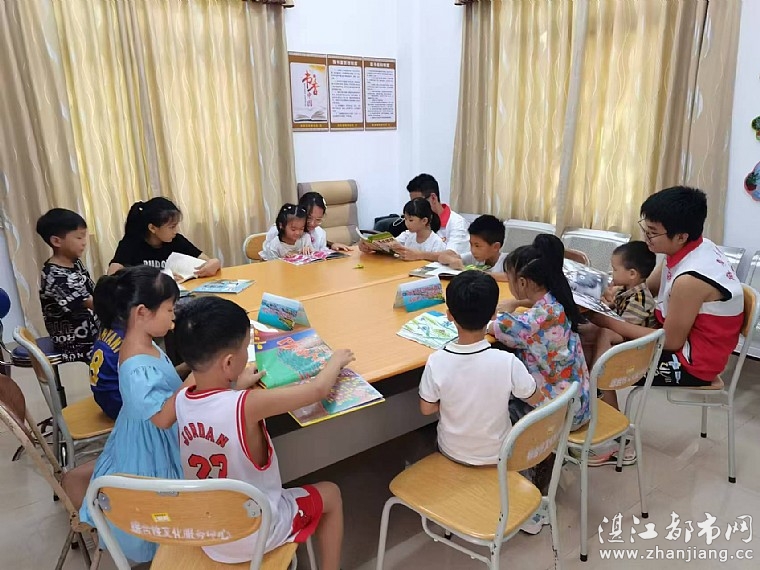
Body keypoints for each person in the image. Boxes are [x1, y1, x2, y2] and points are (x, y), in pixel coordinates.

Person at [174, 296, 352, 570]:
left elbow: (215, 407)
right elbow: (317, 390)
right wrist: (336, 360)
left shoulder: (181, 400)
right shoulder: (246, 405)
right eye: (246, 349)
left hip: (210, 531)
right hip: (254, 534)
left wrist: (236, 386)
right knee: (331, 493)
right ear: (229, 363)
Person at [79, 266, 199, 563]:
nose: (173, 316)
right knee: (161, 510)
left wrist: (192, 368)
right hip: (151, 445)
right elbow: (162, 418)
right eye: (169, 309)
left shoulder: (142, 343)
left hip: (145, 432)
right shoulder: (136, 364)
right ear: (142, 312)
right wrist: (196, 379)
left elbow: (162, 384)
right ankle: (166, 557)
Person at [591, 187, 743, 408]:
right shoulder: (693, 247)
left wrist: (607, 320)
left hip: (691, 364)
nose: (646, 236)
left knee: (600, 358)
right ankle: (596, 411)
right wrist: (615, 290)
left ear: (681, 236)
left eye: (653, 232)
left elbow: (670, 341)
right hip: (680, 339)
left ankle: (609, 423)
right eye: (646, 228)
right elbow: (648, 288)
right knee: (594, 334)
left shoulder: (690, 280)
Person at [419, 270, 540, 467]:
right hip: (499, 455)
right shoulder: (507, 361)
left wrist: (454, 403)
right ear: (493, 315)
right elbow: (534, 398)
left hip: (452, 453)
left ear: (449, 316)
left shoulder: (436, 361)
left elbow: (426, 409)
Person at [486, 234, 590, 431]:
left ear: (523, 282)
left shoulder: (530, 322)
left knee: (492, 406)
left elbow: (495, 326)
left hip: (559, 413)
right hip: (578, 402)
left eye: (509, 279)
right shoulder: (557, 301)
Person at [35, 208, 99, 362]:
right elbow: (93, 304)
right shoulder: (56, 276)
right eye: (79, 237)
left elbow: (93, 292)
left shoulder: (75, 263)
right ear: (56, 241)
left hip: (91, 331)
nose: (84, 242)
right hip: (76, 342)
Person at [108, 197, 221, 277]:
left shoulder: (176, 240)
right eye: (172, 227)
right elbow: (112, 276)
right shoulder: (131, 243)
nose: (176, 231)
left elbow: (206, 260)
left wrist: (214, 263)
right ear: (152, 228)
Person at [589, 241, 656, 374]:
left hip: (636, 342)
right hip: (624, 327)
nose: (611, 273)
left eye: (615, 269)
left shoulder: (639, 300)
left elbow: (625, 327)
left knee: (604, 333)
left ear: (632, 274)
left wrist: (603, 315)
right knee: (589, 327)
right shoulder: (625, 289)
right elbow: (616, 305)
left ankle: (596, 374)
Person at [396, 173, 469, 260]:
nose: (414, 206)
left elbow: (452, 255)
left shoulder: (457, 223)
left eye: (418, 201)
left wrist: (419, 255)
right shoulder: (417, 223)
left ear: (433, 198)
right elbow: (399, 241)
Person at [264, 192, 351, 254]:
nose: (312, 223)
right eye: (309, 218)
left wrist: (331, 245)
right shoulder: (279, 229)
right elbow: (267, 255)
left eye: (318, 219)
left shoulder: (319, 234)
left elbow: (320, 254)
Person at [438, 214, 508, 279]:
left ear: (495, 247)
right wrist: (452, 260)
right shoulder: (473, 257)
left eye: (477, 246)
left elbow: (510, 276)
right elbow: (441, 257)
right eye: (471, 244)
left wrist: (479, 274)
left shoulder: (507, 260)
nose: (473, 250)